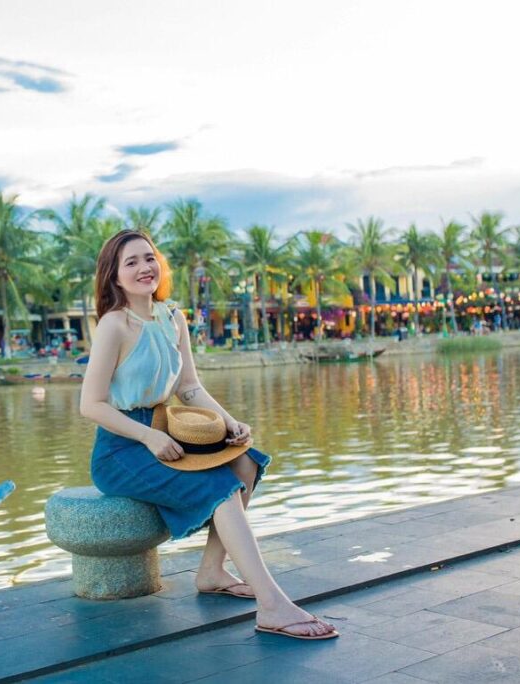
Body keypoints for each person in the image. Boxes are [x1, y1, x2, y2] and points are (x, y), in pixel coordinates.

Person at [79, 230, 338, 640]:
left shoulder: (172, 318)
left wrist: (230, 421)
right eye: (131, 262)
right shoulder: (114, 325)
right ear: (114, 276)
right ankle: (272, 605)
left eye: (149, 257)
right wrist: (148, 438)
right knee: (220, 488)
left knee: (245, 462)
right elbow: (91, 405)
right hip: (122, 448)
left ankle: (212, 571)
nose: (145, 267)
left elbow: (189, 387)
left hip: (167, 429)